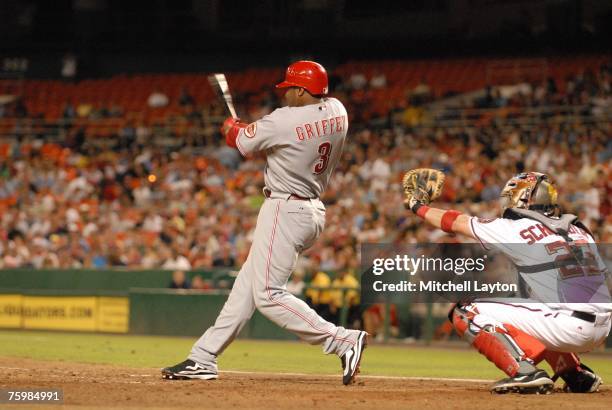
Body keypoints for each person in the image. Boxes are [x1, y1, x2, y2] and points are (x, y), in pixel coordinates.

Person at [162, 61, 367, 385]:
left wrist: (234, 128)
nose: (285, 94)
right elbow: (273, 136)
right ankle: (204, 357)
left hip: (285, 208)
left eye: (290, 89)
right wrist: (249, 130)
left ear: (302, 90)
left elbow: (239, 142)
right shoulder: (337, 110)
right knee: (247, 287)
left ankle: (340, 339)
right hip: (311, 209)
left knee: (268, 294)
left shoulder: (283, 120)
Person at [403, 170, 611, 394]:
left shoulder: (516, 228)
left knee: (465, 310)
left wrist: (417, 205)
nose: (508, 202)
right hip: (603, 326)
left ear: (526, 198)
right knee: (530, 303)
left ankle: (525, 372)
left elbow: (455, 221)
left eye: (513, 195)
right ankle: (577, 375)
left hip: (568, 327)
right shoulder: (580, 230)